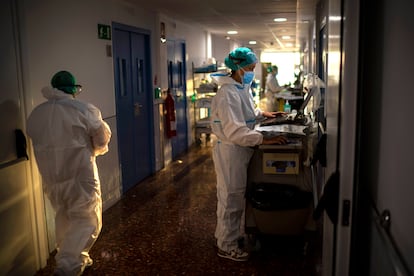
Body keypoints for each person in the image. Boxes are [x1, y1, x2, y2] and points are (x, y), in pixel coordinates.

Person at [27, 71, 111, 275]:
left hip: (52, 177)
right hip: (81, 177)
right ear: (73, 89)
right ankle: (67, 266)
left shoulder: (37, 113)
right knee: (87, 219)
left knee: (64, 216)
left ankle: (74, 256)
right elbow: (101, 140)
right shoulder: (84, 109)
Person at [210, 47, 287, 262]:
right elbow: (236, 131)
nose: (253, 72)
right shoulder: (227, 94)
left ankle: (223, 236)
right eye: (250, 68)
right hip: (231, 151)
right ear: (238, 68)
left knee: (230, 196)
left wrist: (265, 115)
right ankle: (227, 246)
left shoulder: (240, 87)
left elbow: (249, 113)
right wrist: (265, 139)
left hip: (239, 150)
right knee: (231, 198)